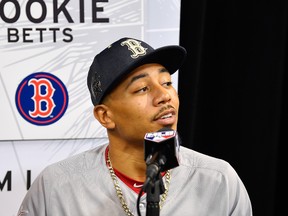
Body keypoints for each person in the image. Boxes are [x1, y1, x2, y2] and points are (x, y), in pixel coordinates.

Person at [17, 37, 252, 216]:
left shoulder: (218, 180)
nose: (164, 96)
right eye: (142, 89)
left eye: (167, 82)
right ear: (105, 116)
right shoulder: (56, 187)